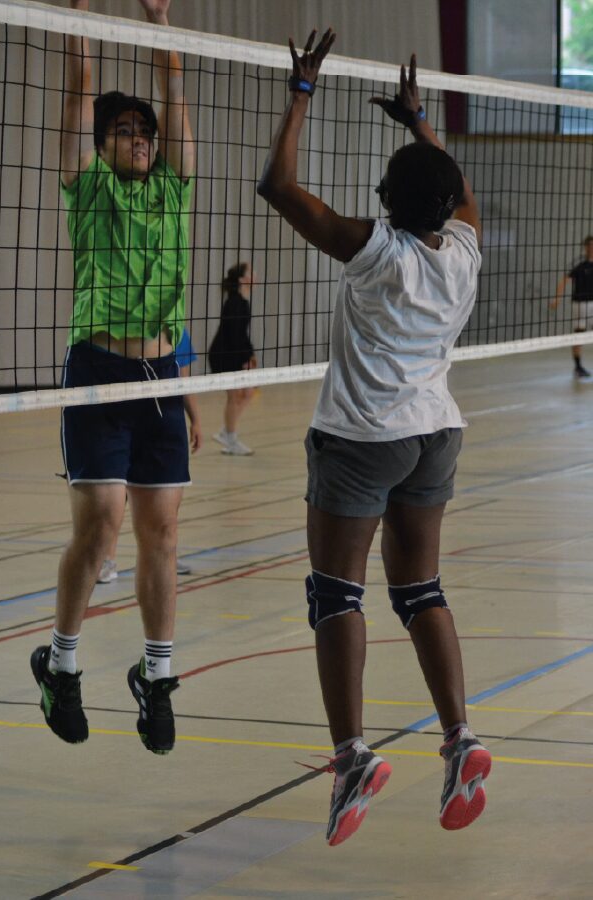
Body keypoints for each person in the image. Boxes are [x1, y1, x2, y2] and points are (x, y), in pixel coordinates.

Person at [257, 31, 491, 846]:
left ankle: (352, 755)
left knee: (337, 595)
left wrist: (301, 91)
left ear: (387, 200)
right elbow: (457, 192)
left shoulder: (375, 250)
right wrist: (422, 121)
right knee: (420, 590)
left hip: (361, 438)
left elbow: (277, 185)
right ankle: (461, 739)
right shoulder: (463, 250)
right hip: (434, 434)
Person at [30, 0, 195, 756]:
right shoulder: (88, 188)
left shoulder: (173, 189)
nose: (140, 139)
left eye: (145, 133)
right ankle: (60, 663)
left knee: (161, 533)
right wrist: (83, 36)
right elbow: (79, 90)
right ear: (102, 145)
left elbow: (177, 97)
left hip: (159, 374)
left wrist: (160, 28)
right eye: (125, 131)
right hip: (97, 372)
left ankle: (154, 677)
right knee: (100, 529)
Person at [97, 328, 202, 583]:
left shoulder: (176, 329)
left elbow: (183, 380)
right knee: (115, 493)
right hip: (120, 415)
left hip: (162, 419)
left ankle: (166, 554)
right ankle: (106, 559)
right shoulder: (113, 324)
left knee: (166, 496)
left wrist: (195, 419)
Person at [208, 263, 256, 456]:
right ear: (242, 279)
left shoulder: (241, 300)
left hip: (232, 352)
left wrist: (249, 354)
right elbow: (234, 335)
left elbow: (240, 334)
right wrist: (246, 357)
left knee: (248, 392)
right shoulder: (235, 302)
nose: (254, 274)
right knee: (236, 395)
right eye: (250, 272)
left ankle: (226, 432)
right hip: (224, 354)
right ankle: (231, 438)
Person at [551, 235, 593, 378]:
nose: (591, 248)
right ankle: (578, 367)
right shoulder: (580, 264)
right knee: (579, 335)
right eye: (589, 246)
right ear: (585, 247)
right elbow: (564, 280)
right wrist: (557, 298)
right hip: (580, 305)